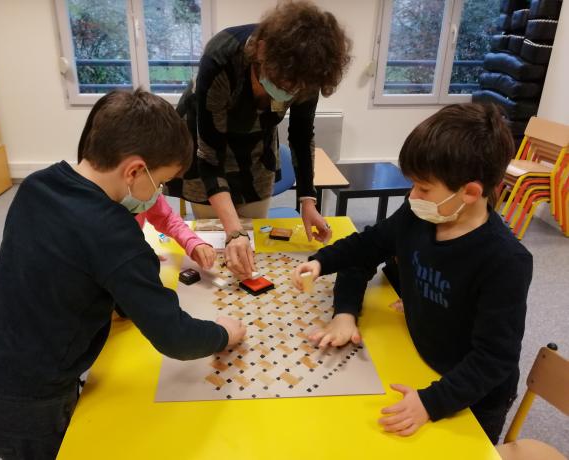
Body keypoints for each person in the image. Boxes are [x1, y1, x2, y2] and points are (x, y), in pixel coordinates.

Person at [0, 89, 246, 459]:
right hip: (30, 409)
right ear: (133, 171)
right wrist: (224, 333)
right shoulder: (116, 236)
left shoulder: (38, 184)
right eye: (159, 183)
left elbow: (65, 268)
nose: (156, 194)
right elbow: (175, 338)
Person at [292, 103, 532, 443]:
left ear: (471, 192)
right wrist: (321, 263)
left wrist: (431, 403)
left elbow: (495, 359)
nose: (411, 196)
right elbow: (368, 245)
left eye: (423, 187)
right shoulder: (420, 215)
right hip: (417, 359)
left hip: (471, 397)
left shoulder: (506, 260)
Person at [167, 0, 352, 280]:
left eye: (296, 90)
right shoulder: (221, 56)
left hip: (255, 147)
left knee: (253, 238)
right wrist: (232, 231)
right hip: (204, 142)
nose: (289, 94)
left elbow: (302, 137)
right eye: (283, 84)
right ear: (262, 53)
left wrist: (308, 200)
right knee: (217, 238)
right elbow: (210, 156)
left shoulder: (308, 70)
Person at [77, 100, 216, 271]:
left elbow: (166, 217)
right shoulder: (89, 220)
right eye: (159, 183)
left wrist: (192, 242)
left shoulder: (138, 190)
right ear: (134, 172)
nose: (159, 191)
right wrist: (135, 257)